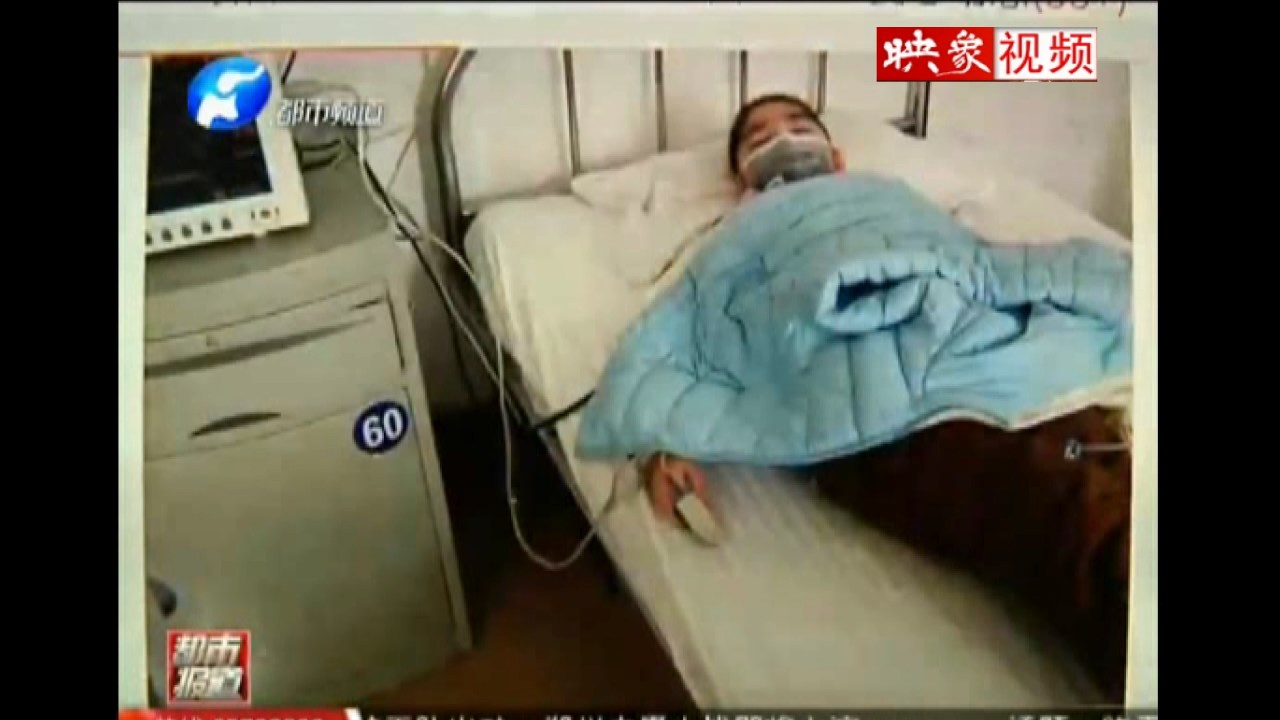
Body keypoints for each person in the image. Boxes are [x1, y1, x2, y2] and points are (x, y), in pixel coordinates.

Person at [642, 93, 1133, 701]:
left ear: (837, 157)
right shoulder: (733, 238)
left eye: (798, 127)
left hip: (980, 338)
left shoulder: (894, 198)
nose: (783, 141)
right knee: (1067, 508)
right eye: (760, 139)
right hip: (882, 396)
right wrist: (667, 433)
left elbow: (963, 258)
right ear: (741, 177)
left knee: (1093, 454)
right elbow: (697, 330)